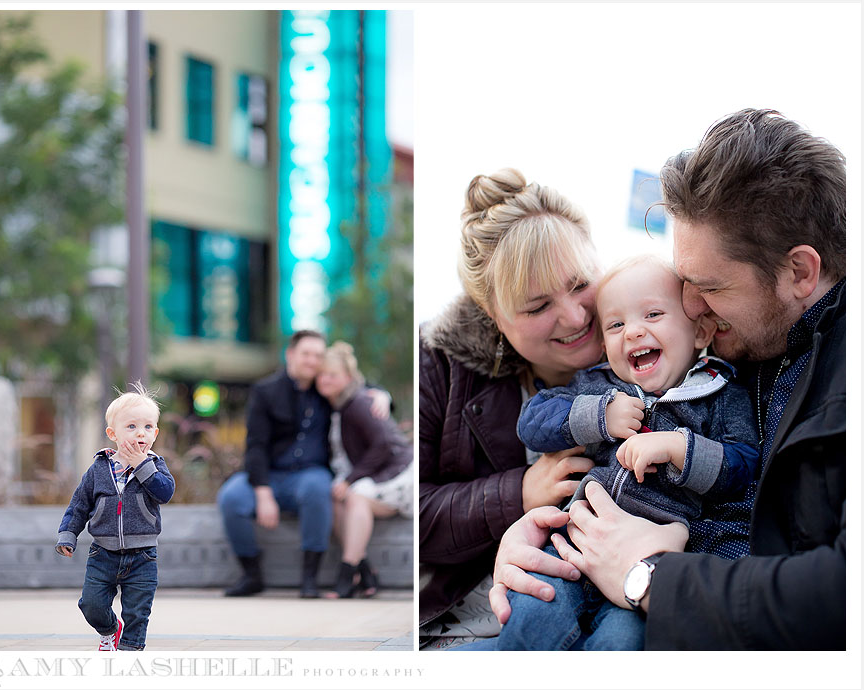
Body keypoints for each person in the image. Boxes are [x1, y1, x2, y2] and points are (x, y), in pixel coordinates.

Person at [489, 108, 846, 650]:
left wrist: (647, 572)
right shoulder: (752, 342)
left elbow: (836, 597)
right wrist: (543, 528)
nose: (691, 306)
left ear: (800, 272)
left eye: (710, 287)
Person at [472, 255, 758, 650]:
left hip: (643, 564)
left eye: (653, 314)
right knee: (532, 623)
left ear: (701, 331)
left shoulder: (720, 392)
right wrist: (599, 415)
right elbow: (532, 421)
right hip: (571, 544)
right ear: (604, 344)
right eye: (616, 324)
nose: (633, 332)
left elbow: (743, 465)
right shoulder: (598, 384)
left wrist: (679, 448)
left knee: (619, 644)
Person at [419, 168, 602, 649]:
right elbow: (412, 514)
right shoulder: (438, 364)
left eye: (581, 283)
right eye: (538, 306)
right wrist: (519, 493)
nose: (576, 316)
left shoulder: (656, 344)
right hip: (469, 620)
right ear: (493, 315)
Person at [217, 330, 389, 598]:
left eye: (318, 355)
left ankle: (309, 579)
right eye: (306, 354)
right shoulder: (265, 391)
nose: (312, 361)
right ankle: (252, 574)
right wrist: (263, 493)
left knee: (319, 488)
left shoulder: (326, 389)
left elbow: (358, 387)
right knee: (231, 497)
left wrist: (381, 395)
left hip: (310, 474)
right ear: (290, 355)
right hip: (269, 474)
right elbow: (256, 447)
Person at [55, 382, 176, 651]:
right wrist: (68, 534)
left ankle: (129, 653)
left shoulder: (155, 466)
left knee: (137, 612)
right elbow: (79, 505)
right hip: (103, 553)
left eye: (147, 427)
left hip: (143, 555)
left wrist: (141, 466)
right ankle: (110, 628)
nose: (140, 433)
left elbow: (164, 493)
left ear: (155, 433)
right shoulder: (99, 469)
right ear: (113, 433)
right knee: (91, 604)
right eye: (131, 427)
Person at [315, 341, 414, 598]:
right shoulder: (338, 404)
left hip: (399, 472)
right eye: (321, 374)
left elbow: (382, 444)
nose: (324, 380)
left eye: (332, 375)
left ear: (347, 377)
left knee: (355, 497)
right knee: (336, 499)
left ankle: (346, 575)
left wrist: (350, 480)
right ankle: (365, 572)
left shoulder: (359, 402)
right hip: (374, 474)